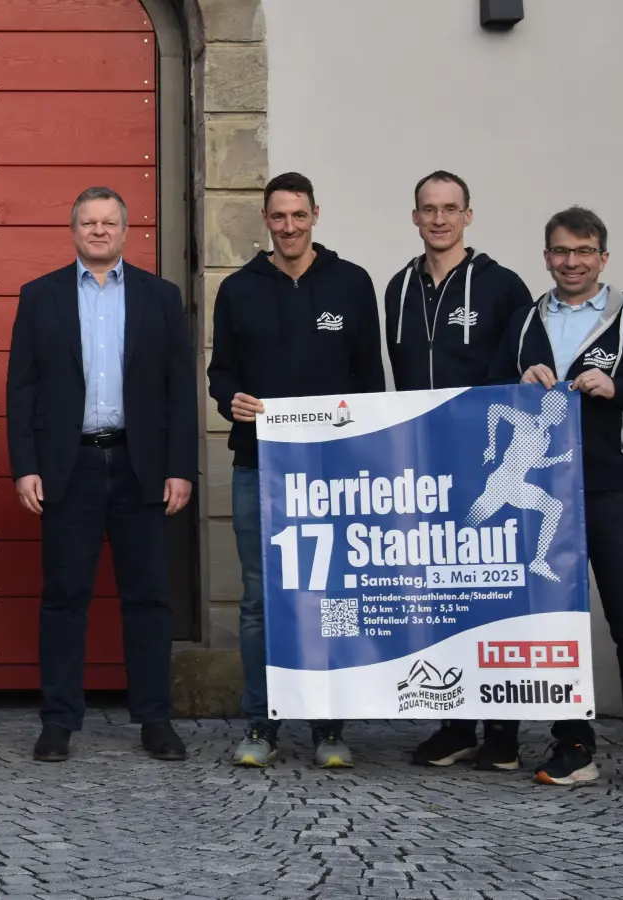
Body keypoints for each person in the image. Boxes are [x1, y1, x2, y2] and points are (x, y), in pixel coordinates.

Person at [490, 206, 623, 795]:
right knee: (558, 623)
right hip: (546, 492)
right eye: (559, 251)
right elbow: (493, 391)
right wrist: (518, 379)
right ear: (546, 256)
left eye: (583, 251)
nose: (570, 262)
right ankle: (573, 745)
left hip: (613, 489)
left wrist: (618, 386)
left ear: (603, 256)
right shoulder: (527, 319)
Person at [7, 187, 195, 763]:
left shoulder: (160, 297)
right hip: (71, 466)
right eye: (88, 222)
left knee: (148, 598)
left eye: (108, 222)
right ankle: (59, 719)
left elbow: (178, 390)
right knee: (65, 597)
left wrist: (181, 469)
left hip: (142, 466)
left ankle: (155, 718)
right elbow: (22, 389)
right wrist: (25, 467)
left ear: (125, 229)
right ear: (73, 231)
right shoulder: (40, 297)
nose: (98, 231)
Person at [206, 171, 384, 770]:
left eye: (298, 216)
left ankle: (329, 728)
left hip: (332, 473)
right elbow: (220, 373)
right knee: (260, 602)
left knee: (328, 597)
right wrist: (229, 398)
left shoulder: (352, 284)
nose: (289, 227)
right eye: (278, 217)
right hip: (259, 464)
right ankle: (261, 723)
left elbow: (369, 382)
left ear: (315, 215)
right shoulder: (237, 290)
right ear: (265, 221)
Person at [382, 170, 534, 772]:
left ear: (468, 215)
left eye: (450, 208)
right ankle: (456, 725)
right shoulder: (398, 288)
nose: (439, 219)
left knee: (493, 591)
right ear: (414, 217)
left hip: (488, 467)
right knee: (443, 591)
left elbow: (525, 370)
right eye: (428, 209)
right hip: (426, 465)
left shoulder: (502, 286)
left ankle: (502, 731)